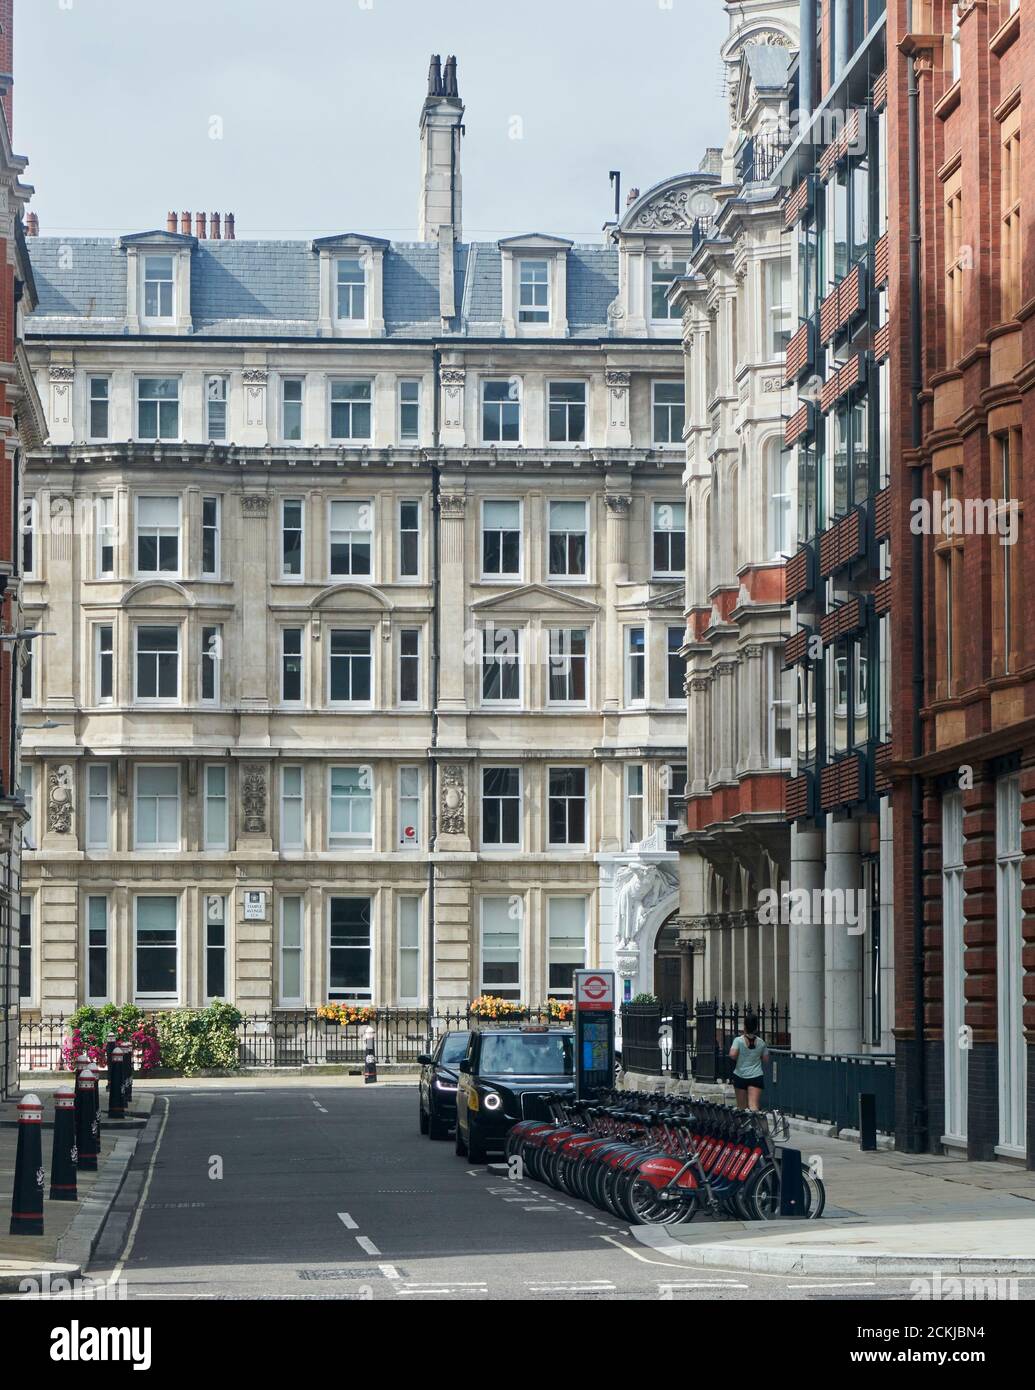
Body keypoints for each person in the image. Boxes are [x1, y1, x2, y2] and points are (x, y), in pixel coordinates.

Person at [728, 1012, 768, 1111]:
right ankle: (758, 1125)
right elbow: (766, 1059)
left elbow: (732, 1055)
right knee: (754, 1106)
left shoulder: (738, 1040)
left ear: (745, 1026)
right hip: (756, 1075)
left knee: (742, 1107)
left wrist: (741, 1056)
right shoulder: (762, 1042)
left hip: (740, 1075)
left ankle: (744, 1126)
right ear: (756, 1027)